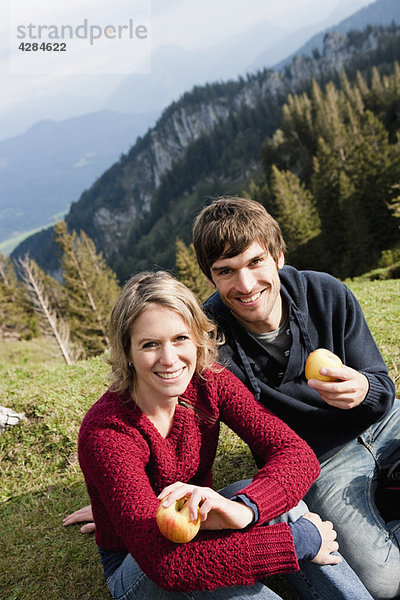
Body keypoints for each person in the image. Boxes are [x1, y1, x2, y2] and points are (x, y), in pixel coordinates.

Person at [73, 270, 374, 600]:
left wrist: (247, 509)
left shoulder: (209, 381)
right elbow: (167, 566)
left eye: (180, 339)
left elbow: (295, 452)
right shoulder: (107, 433)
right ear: (127, 353)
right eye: (150, 345)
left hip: (199, 521)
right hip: (141, 563)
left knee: (266, 497)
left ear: (197, 338)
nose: (170, 359)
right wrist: (297, 541)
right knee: (200, 569)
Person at [190, 196, 400, 600]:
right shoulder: (211, 343)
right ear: (211, 277)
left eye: (255, 262)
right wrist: (137, 496)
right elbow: (189, 425)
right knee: (383, 582)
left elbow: (382, 387)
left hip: (385, 423)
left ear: (278, 256)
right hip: (320, 462)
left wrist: (364, 389)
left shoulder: (326, 293)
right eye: (226, 272)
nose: (245, 284)